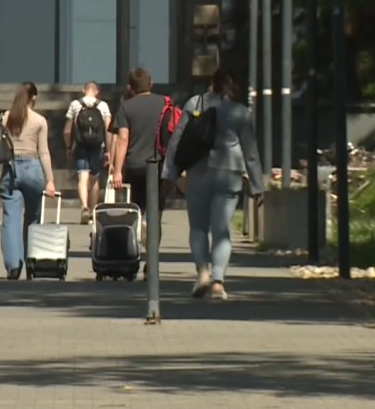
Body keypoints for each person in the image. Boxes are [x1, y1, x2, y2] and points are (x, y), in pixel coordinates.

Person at [161, 69, 264, 300]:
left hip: (198, 172)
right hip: (230, 175)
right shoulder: (240, 112)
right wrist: (257, 185)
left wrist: (169, 174)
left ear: (211, 85)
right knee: (222, 231)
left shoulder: (194, 104)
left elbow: (178, 140)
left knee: (198, 228)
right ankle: (218, 283)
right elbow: (251, 153)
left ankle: (203, 274)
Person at [0, 82, 57, 279]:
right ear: (33, 97)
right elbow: (44, 152)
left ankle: (13, 265)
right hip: (32, 167)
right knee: (33, 217)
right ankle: (31, 259)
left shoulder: (6, 117)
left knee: (10, 219)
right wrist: (50, 180)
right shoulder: (39, 120)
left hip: (10, 169)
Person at [110, 68, 168, 220]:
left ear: (130, 87)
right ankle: (151, 236)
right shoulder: (165, 103)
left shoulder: (126, 107)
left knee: (137, 208)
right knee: (155, 211)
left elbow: (122, 139)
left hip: (135, 165)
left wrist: (117, 171)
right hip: (161, 164)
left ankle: (139, 234)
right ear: (151, 84)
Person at [63, 81, 112, 223]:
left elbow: (67, 130)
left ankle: (84, 207)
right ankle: (93, 211)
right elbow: (109, 130)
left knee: (82, 177)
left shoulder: (75, 104)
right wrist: (108, 151)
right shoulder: (103, 106)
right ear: (97, 91)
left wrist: (68, 147)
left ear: (83, 90)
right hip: (97, 146)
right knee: (95, 178)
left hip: (80, 145)